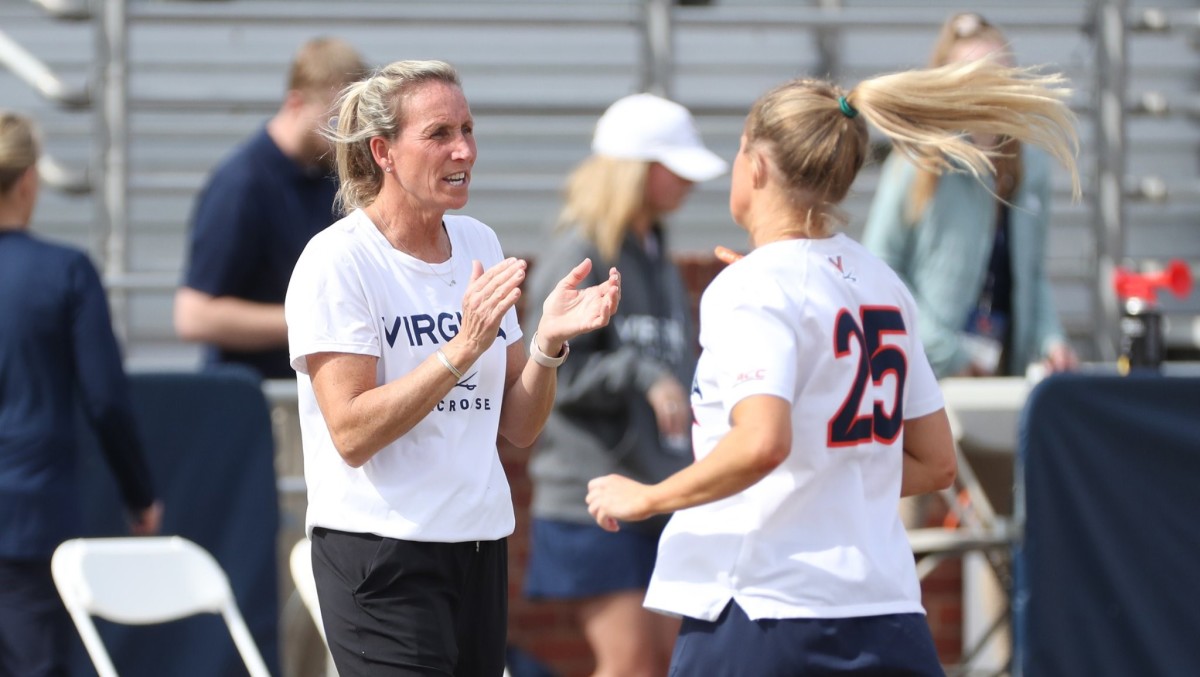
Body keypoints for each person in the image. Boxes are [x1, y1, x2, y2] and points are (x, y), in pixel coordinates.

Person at [585, 56, 1079, 674]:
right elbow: (934, 462)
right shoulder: (883, 284)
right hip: (888, 615)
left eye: (739, 152)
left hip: (767, 610)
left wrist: (651, 498)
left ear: (757, 164)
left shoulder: (753, 287)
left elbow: (763, 443)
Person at [284, 60, 621, 677]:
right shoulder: (338, 262)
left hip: (476, 542)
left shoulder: (477, 242)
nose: (463, 148)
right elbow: (352, 433)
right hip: (379, 551)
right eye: (439, 133)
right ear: (383, 151)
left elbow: (519, 426)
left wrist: (547, 341)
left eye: (467, 129)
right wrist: (458, 350)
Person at [522, 92, 726, 677]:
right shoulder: (580, 252)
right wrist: (644, 375)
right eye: (676, 168)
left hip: (654, 491)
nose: (689, 184)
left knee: (665, 662)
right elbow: (554, 365)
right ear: (638, 170)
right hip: (591, 496)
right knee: (631, 663)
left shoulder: (656, 250)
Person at [0, 111, 162, 676]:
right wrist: (140, 495)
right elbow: (106, 400)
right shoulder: (63, 272)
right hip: (29, 520)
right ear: (27, 181)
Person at [862, 12, 1079, 379]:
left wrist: (1052, 342)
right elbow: (879, 268)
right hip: (928, 374)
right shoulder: (916, 160)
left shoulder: (1032, 165)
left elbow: (1032, 275)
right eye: (975, 75)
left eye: (1000, 74)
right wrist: (948, 352)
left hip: (1001, 372)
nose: (990, 87)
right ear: (948, 83)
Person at [175, 37, 368, 379]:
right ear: (295, 102)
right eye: (337, 120)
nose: (348, 137)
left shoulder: (333, 174)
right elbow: (193, 315)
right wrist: (315, 321)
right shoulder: (242, 183)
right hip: (257, 407)